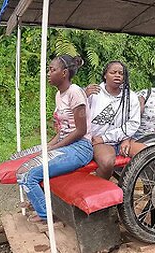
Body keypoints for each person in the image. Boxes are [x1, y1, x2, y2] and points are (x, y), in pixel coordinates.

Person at [15, 55, 94, 222]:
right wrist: (49, 145)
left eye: (52, 70)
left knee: (28, 175)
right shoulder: (59, 94)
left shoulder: (75, 93)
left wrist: (56, 147)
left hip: (80, 148)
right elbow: (64, 129)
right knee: (19, 159)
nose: (48, 73)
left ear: (64, 73)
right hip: (65, 144)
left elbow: (81, 130)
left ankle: (47, 216)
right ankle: (40, 203)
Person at [85, 61, 141, 179]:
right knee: (107, 162)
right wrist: (84, 97)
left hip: (122, 139)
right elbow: (79, 115)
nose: (117, 75)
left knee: (147, 153)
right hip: (98, 141)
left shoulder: (131, 96)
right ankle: (100, 190)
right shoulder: (94, 92)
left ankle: (150, 191)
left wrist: (125, 138)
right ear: (105, 75)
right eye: (113, 72)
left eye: (121, 73)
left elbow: (133, 123)